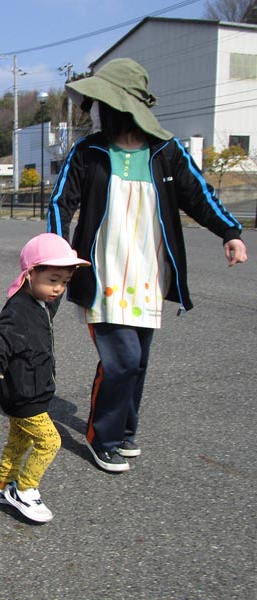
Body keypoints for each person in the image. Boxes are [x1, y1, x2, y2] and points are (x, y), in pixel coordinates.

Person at [47, 58, 248, 473]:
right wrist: (56, 252)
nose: (98, 110)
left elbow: (199, 195)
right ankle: (101, 436)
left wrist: (230, 232)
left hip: (148, 275)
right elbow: (60, 202)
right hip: (103, 275)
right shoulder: (89, 152)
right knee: (120, 361)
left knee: (137, 362)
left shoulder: (166, 151)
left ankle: (123, 430)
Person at [0, 233, 89, 523]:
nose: (58, 289)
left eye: (64, 282)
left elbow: (56, 289)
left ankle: (2, 487)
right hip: (23, 394)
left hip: (31, 388)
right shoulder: (17, 310)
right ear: (29, 274)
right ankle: (25, 490)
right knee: (49, 442)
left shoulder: (40, 301)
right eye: (53, 280)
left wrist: (66, 262)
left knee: (19, 442)